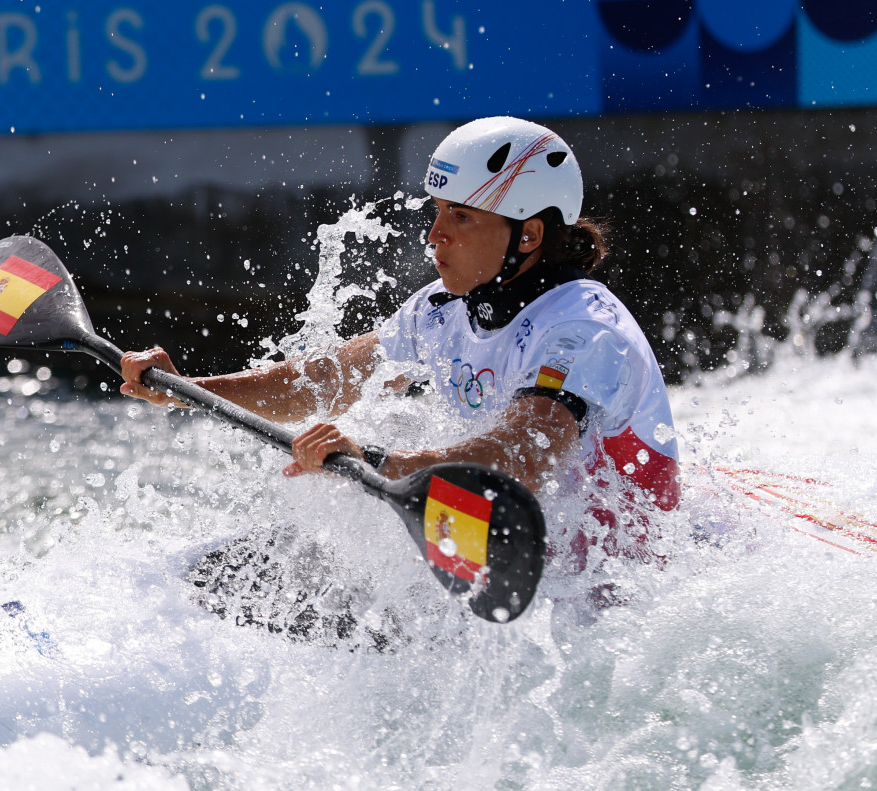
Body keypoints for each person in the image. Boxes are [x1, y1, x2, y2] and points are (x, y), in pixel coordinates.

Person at [121, 116, 680, 569]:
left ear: (529, 233)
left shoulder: (584, 332)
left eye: (461, 216)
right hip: (514, 556)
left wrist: (384, 462)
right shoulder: (443, 309)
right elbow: (327, 379)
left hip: (616, 582)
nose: (436, 235)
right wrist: (188, 390)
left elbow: (524, 454)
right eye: (438, 212)